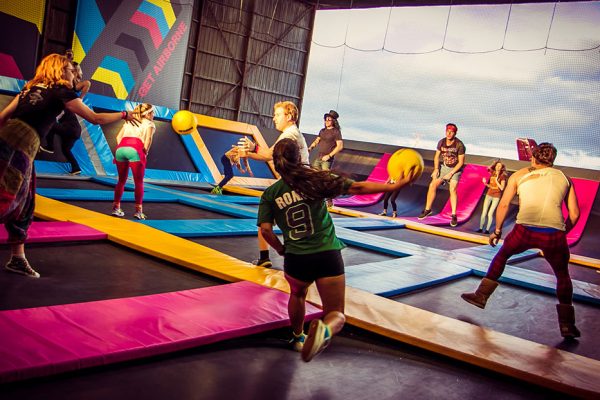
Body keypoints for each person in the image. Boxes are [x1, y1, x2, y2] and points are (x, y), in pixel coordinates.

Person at [258, 138, 418, 362]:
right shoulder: (316, 179)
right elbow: (359, 187)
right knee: (336, 315)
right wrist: (393, 186)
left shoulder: (271, 194)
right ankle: (324, 331)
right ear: (300, 159)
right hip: (326, 254)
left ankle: (297, 337)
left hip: (296, 258)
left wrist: (281, 249)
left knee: (297, 294)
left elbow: (265, 230)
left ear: (277, 163)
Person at [0, 53, 138, 278]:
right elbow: (95, 119)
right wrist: (124, 113)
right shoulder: (60, 91)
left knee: (25, 205)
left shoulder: (29, 87)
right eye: (71, 69)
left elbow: (3, 117)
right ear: (59, 69)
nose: (74, 74)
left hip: (16, 143)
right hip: (19, 146)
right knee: (6, 201)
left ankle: (17, 258)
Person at [461, 143, 581, 339]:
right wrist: (562, 231)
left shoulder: (520, 175)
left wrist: (497, 230)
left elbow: (505, 204)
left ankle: (481, 296)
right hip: (554, 233)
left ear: (533, 158)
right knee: (562, 274)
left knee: (502, 255)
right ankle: (567, 325)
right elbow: (575, 214)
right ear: (553, 160)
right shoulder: (565, 178)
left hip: (524, 229)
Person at [239, 100, 309, 268]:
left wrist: (253, 147)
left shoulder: (289, 134)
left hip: (295, 182)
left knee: (266, 214)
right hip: (296, 181)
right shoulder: (290, 133)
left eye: (277, 115)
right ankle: (270, 256)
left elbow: (268, 154)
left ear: (289, 116)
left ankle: (268, 256)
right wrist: (247, 153)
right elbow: (267, 155)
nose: (274, 118)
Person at [40, 61, 91, 175]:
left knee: (51, 123)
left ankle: (50, 147)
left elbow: (87, 83)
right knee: (66, 150)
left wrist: (81, 99)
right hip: (75, 131)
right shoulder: (61, 102)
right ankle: (76, 168)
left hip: (71, 128)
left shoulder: (68, 99)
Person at [111, 103, 156, 220]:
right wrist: (145, 151)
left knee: (121, 180)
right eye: (153, 112)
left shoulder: (129, 121)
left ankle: (116, 208)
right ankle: (138, 212)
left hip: (120, 149)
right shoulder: (149, 123)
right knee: (138, 182)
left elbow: (117, 137)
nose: (154, 115)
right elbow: (148, 139)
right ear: (148, 114)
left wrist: (124, 147)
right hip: (135, 149)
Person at [418, 123, 465, 227]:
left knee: (452, 189)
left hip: (455, 169)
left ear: (454, 133)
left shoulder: (459, 145)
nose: (449, 133)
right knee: (432, 185)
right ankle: (428, 209)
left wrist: (451, 174)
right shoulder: (441, 142)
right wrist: (436, 169)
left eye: (451, 132)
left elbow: (461, 162)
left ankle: (453, 215)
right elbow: (436, 157)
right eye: (447, 131)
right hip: (444, 168)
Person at [308, 110, 343, 207]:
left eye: (329, 120)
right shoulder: (322, 131)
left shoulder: (336, 132)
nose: (327, 121)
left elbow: (340, 146)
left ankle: (329, 200)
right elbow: (317, 140)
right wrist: (310, 148)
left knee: (326, 179)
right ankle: (314, 197)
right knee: (313, 176)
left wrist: (329, 155)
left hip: (327, 160)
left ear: (333, 121)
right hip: (319, 157)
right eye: (326, 119)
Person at [477, 160, 507, 234]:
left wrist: (497, 181)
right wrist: (485, 183)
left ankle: (487, 230)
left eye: (500, 166)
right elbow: (491, 185)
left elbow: (502, 188)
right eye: (497, 165)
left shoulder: (502, 176)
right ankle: (480, 228)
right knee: (484, 212)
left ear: (502, 168)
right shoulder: (492, 173)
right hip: (489, 194)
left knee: (490, 213)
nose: (498, 167)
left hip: (496, 196)